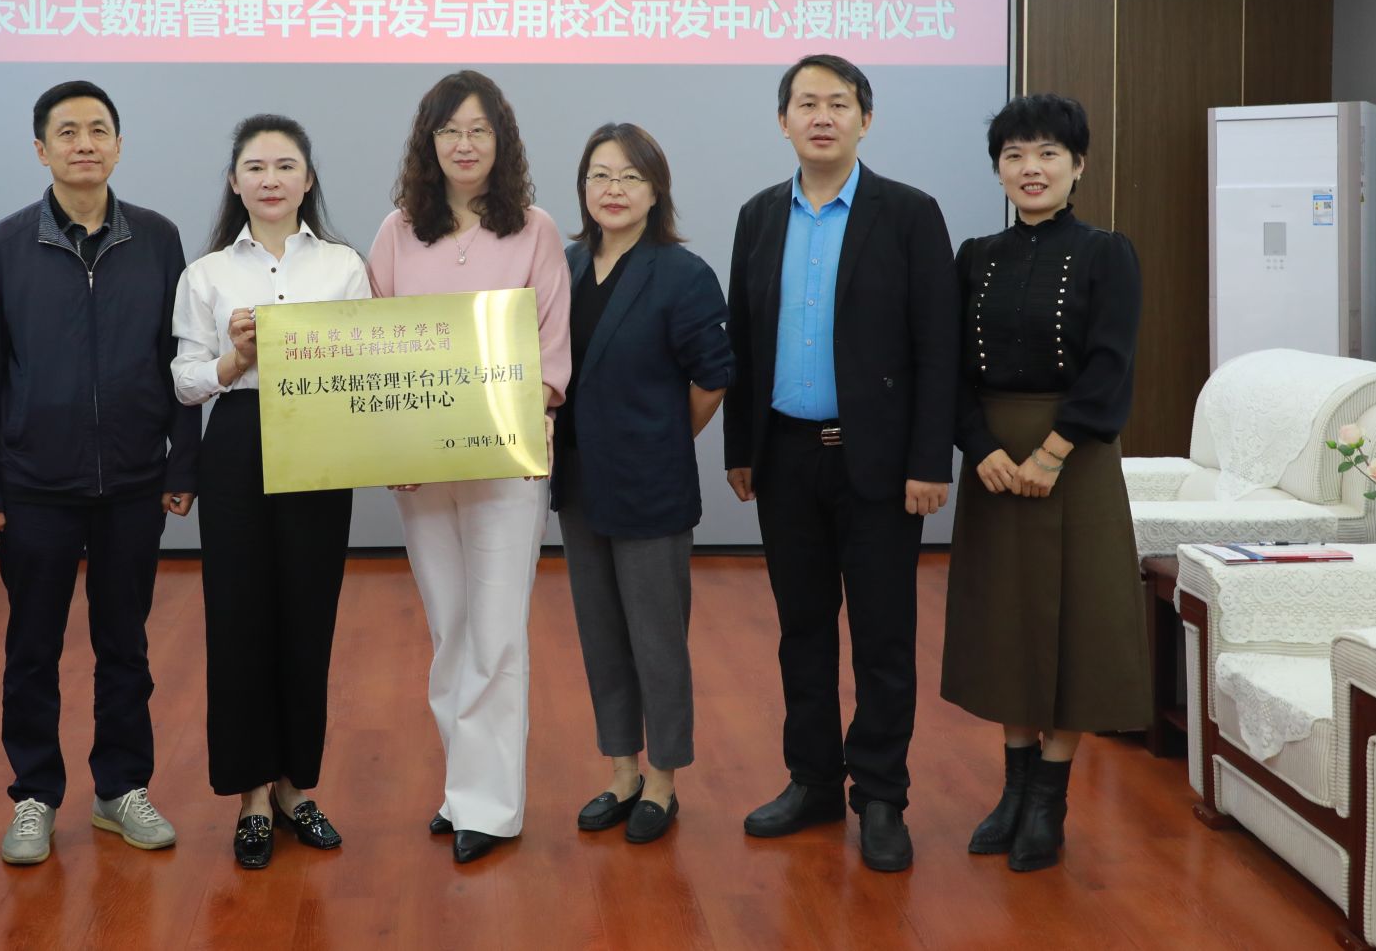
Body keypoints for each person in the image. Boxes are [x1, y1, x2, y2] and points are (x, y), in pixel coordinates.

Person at [724, 53, 958, 873]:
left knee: (885, 636)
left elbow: (937, 347)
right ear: (782, 120)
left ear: (866, 118)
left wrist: (930, 460)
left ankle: (882, 795)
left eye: (838, 102)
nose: (821, 116)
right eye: (806, 103)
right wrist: (741, 447)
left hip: (882, 466)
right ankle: (815, 780)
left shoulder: (909, 214)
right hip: (785, 458)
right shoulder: (759, 216)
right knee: (802, 630)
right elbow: (742, 338)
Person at [0, 78, 199, 866]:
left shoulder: (158, 239)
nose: (84, 143)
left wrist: (182, 461)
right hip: (34, 484)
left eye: (99, 129)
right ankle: (34, 793)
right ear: (41, 149)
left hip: (133, 481)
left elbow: (181, 358)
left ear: (119, 146)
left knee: (124, 645)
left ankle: (119, 788)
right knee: (31, 647)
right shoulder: (2, 245)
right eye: (67, 131)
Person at [367, 70, 572, 866]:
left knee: (497, 629)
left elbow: (550, 358)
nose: (463, 143)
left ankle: (492, 804)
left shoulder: (535, 230)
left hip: (507, 466)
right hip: (422, 470)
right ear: (428, 141)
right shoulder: (396, 233)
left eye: (479, 129)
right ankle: (464, 788)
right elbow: (374, 349)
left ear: (502, 141)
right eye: (449, 129)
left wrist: (502, 422)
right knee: (449, 626)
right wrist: (397, 444)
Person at [942, 93, 1148, 873]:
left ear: (1078, 164)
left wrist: (1054, 451)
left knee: (1076, 624)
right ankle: (1013, 789)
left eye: (1048, 153)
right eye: (1015, 155)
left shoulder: (1107, 252)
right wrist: (979, 446)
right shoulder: (975, 256)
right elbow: (949, 365)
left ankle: (1049, 801)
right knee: (1006, 622)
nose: (1031, 168)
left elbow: (1111, 364)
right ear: (998, 168)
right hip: (995, 462)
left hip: (1076, 457)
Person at [171, 114, 370, 871]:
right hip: (237, 439)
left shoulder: (344, 265)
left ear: (308, 179)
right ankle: (251, 794)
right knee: (238, 616)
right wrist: (233, 359)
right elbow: (185, 380)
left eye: (286, 165)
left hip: (320, 439)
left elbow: (366, 365)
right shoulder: (207, 273)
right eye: (255, 167)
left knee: (308, 615)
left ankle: (295, 787)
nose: (271, 179)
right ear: (235, 182)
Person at [552, 123, 732, 846]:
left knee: (657, 639)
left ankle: (662, 779)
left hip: (651, 484)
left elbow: (712, 377)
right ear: (583, 188)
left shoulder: (682, 273)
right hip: (579, 482)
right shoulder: (563, 266)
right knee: (601, 633)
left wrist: (662, 438)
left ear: (656, 190)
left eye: (630, 176)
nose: (614, 189)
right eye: (600, 175)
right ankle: (621, 770)